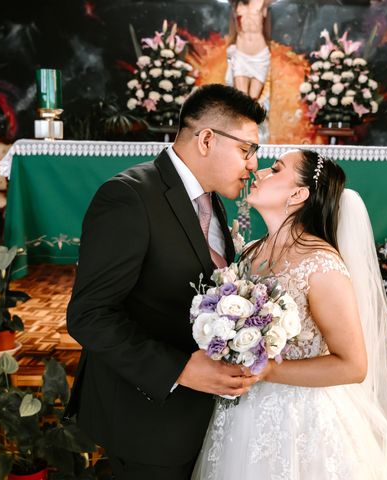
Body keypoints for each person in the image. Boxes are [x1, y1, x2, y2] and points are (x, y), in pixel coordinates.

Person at [65, 84, 267, 480]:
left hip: (196, 416)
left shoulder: (212, 199)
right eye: (247, 150)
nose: (253, 165)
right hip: (146, 420)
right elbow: (89, 315)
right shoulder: (128, 197)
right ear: (206, 138)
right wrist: (179, 370)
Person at [192, 149, 387, 479]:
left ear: (299, 194)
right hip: (242, 415)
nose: (259, 172)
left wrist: (268, 370)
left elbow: (353, 365)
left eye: (276, 169)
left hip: (301, 422)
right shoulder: (251, 251)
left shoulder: (321, 265)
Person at [226, 0, 272, 100]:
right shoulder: (236, 4)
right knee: (242, 96)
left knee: (254, 97)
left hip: (260, 56)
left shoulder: (262, 2)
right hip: (241, 55)